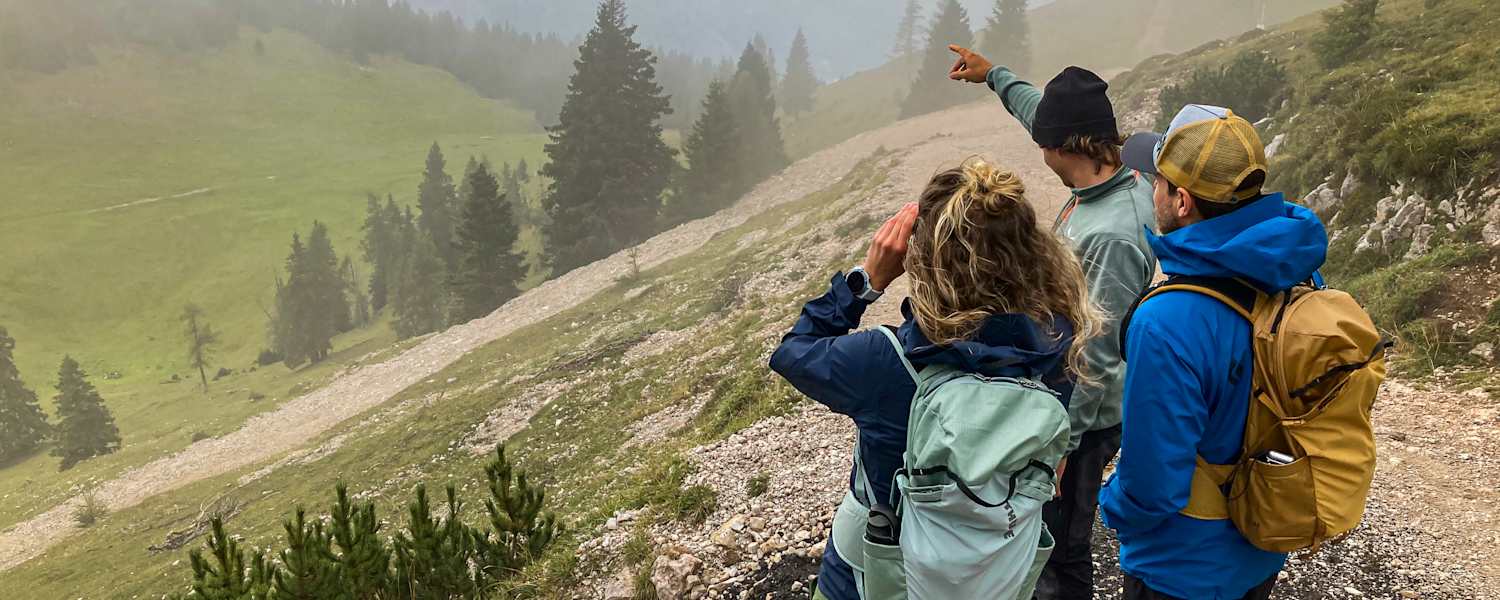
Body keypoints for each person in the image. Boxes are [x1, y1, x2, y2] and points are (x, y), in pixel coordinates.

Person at [769, 159, 1099, 600]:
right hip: (997, 573)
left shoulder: (884, 360)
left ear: (922, 257)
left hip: (873, 573)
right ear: (1030, 250)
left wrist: (867, 281)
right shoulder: (1057, 344)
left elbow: (793, 352)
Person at [946, 45, 1156, 600]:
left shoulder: (1109, 234)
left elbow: (1097, 349)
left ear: (1062, 148)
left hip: (1088, 418)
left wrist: (1063, 443)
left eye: (1043, 141)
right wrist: (994, 75)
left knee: (1062, 542)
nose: (1037, 145)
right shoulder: (1117, 175)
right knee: (1053, 536)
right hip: (1078, 401)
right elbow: (1039, 111)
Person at [1099, 104, 1328, 600]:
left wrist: (1108, 503)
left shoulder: (1166, 320)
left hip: (1178, 568)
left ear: (1181, 201)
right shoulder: (1298, 277)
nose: (1150, 190)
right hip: (1262, 541)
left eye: (1156, 181)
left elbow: (1152, 485)